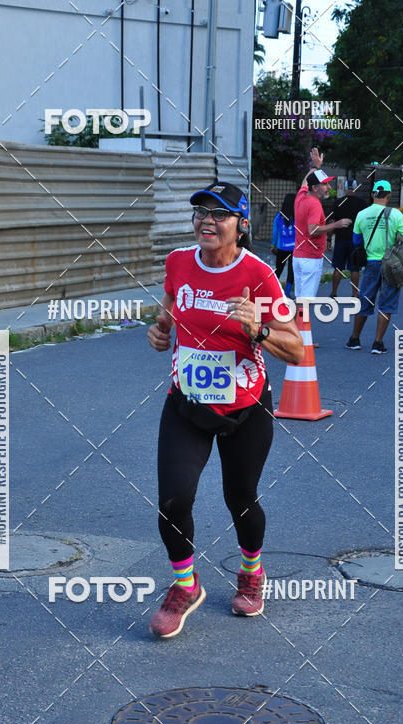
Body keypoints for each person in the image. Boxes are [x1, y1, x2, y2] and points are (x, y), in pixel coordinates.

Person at [147, 181, 305, 638]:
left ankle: (251, 572)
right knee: (173, 500)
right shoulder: (178, 262)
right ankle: (185, 585)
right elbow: (170, 308)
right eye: (200, 211)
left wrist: (257, 331)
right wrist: (159, 333)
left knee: (240, 498)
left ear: (240, 225)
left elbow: (295, 350)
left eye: (219, 214)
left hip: (245, 408)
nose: (207, 221)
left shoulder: (258, 274)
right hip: (187, 404)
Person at [345, 180, 403, 354]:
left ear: (373, 194)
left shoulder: (362, 214)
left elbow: (356, 241)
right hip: (391, 264)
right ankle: (377, 343)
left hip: (371, 263)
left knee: (365, 300)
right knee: (386, 304)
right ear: (389, 195)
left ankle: (354, 339)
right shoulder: (396, 215)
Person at [293, 169, 352, 299]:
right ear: (314, 188)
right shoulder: (314, 204)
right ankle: (302, 320)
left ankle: (298, 320)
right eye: (324, 184)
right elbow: (312, 230)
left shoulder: (301, 196)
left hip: (298, 257)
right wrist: (336, 224)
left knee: (301, 299)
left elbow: (304, 182)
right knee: (306, 302)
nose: (329, 187)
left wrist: (315, 167)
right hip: (310, 258)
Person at [330, 178, 367, 299]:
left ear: (345, 188)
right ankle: (355, 294)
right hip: (356, 240)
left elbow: (332, 222)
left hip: (340, 239)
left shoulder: (337, 202)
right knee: (355, 268)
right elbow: (365, 224)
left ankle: (334, 292)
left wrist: (329, 239)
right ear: (356, 188)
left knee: (338, 267)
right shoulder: (362, 204)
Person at [271, 193, 296, 299]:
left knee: (278, 269)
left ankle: (274, 291)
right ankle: (287, 292)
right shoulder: (297, 217)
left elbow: (275, 232)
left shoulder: (279, 216)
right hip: (294, 249)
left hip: (282, 248)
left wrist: (273, 245)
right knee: (292, 271)